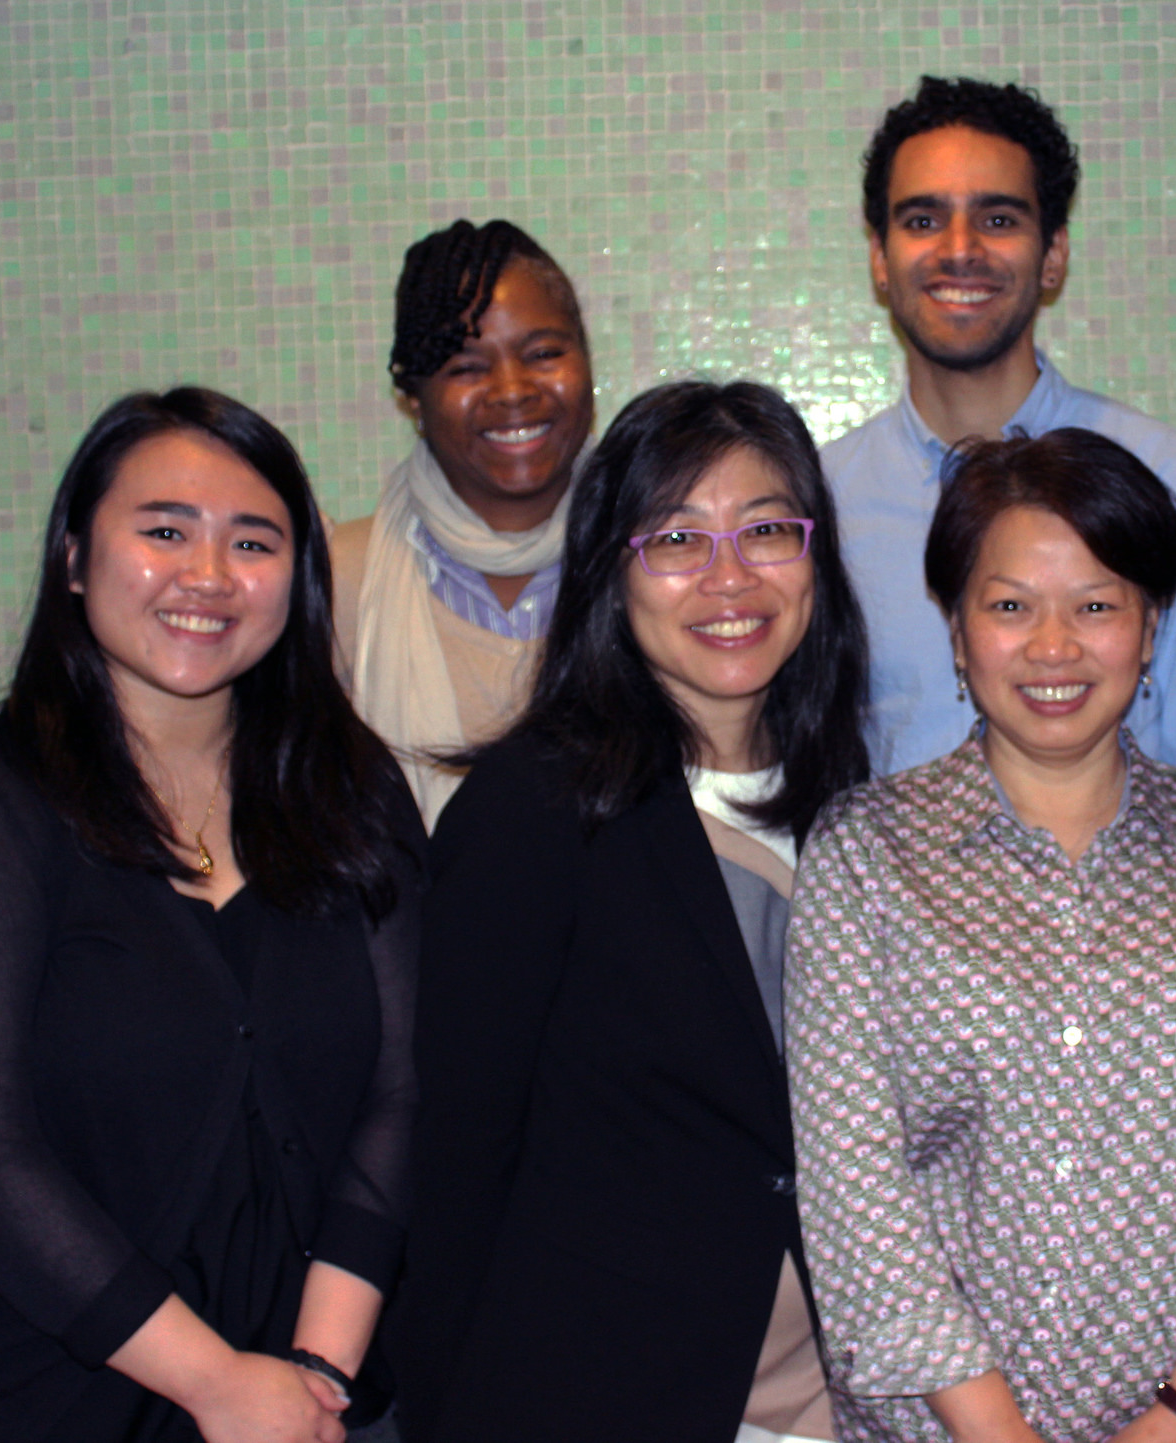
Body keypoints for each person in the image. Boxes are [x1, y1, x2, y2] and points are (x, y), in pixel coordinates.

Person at [0, 388, 421, 1443]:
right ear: (74, 557)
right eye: (164, 530)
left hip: (303, 1389)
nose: (206, 576)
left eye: (252, 541)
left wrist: (308, 1377)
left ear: (294, 581)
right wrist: (215, 1383)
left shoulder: (349, 789)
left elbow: (403, 1087)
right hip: (12, 1386)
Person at [788, 428, 1176, 1443]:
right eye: (1009, 607)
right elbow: (854, 1187)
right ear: (956, 632)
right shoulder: (864, 857)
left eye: (1095, 605)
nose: (1053, 647)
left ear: (1149, 623)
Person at [391, 380, 871, 1443]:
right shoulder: (533, 811)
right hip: (606, 1394)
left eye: (765, 531)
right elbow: (459, 1158)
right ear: (614, 568)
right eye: (676, 540)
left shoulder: (855, 808)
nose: (728, 578)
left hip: (839, 1400)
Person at [822, 75, 1176, 779]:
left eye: (998, 220)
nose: (959, 249)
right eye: (923, 220)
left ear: (1053, 255)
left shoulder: (1172, 477)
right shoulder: (821, 502)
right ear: (879, 256)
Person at [333, 218, 596, 825]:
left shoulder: (657, 563)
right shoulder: (337, 581)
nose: (512, 390)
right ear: (412, 399)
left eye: (544, 353)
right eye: (465, 367)